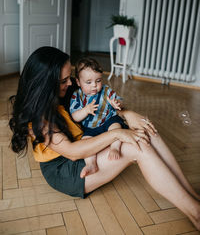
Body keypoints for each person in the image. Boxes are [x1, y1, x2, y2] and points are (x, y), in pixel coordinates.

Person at [9, 46, 200, 230]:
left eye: (71, 77)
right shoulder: (38, 120)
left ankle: (191, 196)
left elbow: (103, 105)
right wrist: (117, 133)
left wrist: (127, 113)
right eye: (64, 80)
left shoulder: (66, 89)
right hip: (66, 168)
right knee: (137, 146)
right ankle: (196, 213)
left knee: (145, 128)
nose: (71, 83)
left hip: (84, 141)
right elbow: (74, 153)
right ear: (46, 84)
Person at [70, 58, 124, 178]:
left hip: (108, 120)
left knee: (116, 127)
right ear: (78, 82)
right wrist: (85, 110)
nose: (94, 85)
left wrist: (117, 103)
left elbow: (118, 99)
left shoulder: (105, 90)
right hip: (91, 128)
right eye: (88, 82)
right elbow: (75, 116)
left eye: (98, 80)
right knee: (85, 143)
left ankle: (115, 148)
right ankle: (91, 164)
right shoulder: (77, 95)